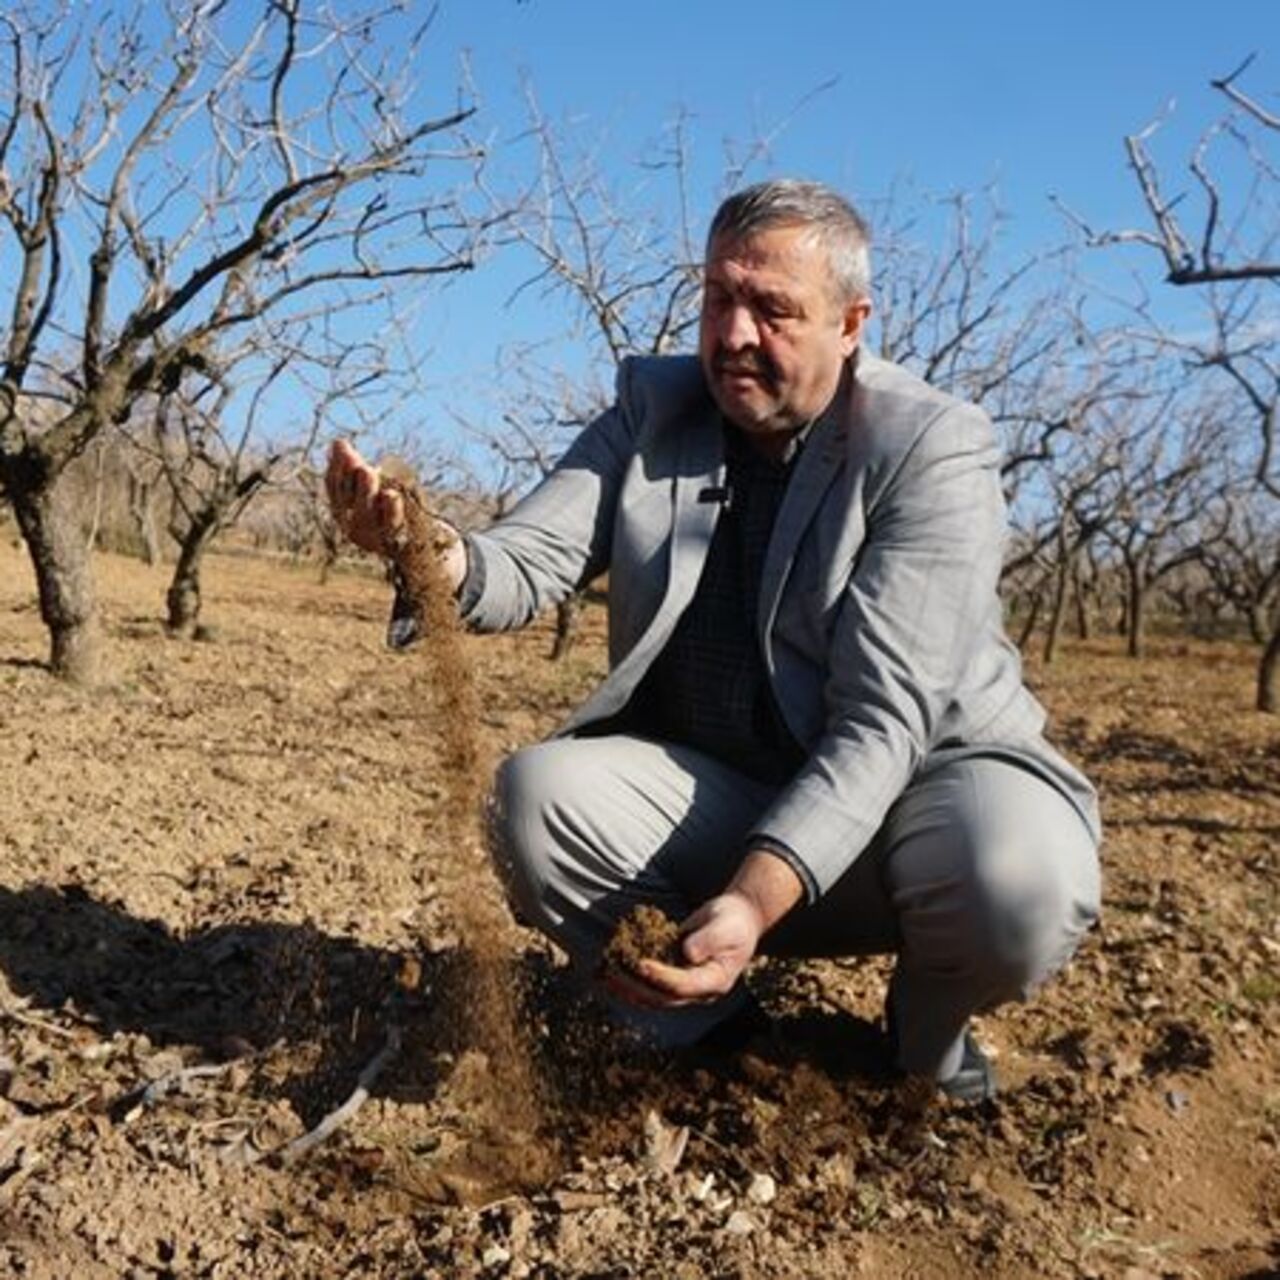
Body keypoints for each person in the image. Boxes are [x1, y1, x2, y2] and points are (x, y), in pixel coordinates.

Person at [327, 179, 1101, 1102]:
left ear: (851, 324)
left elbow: (883, 723)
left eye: (772, 309)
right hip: (727, 793)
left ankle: (927, 1040)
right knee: (533, 800)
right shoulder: (658, 411)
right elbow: (530, 558)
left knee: (1020, 879)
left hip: (915, 804)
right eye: (717, 298)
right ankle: (709, 1034)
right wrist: (424, 548)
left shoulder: (927, 446)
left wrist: (756, 898)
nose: (732, 334)